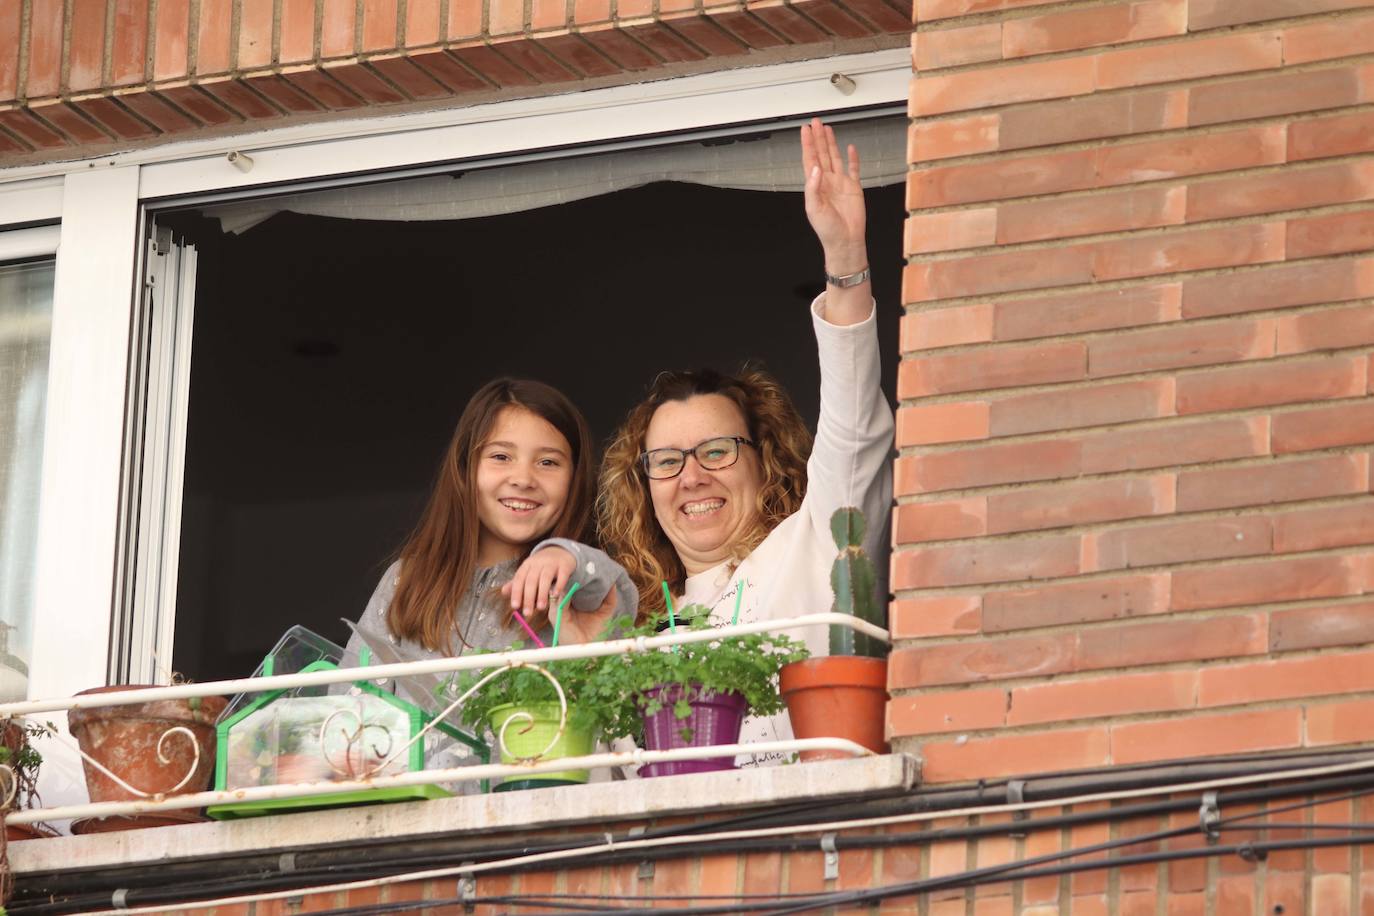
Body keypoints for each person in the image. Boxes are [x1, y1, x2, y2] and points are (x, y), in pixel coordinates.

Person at [598, 118, 894, 763]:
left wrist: (846, 264)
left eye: (716, 451)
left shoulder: (811, 546)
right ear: (644, 488)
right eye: (667, 462)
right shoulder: (636, 630)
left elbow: (854, 430)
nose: (692, 477)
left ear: (767, 462)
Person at [343, 377, 637, 705]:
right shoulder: (406, 579)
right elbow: (345, 710)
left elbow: (614, 590)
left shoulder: (574, 586)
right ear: (466, 468)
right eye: (501, 456)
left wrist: (566, 556)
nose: (523, 479)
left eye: (548, 462)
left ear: (575, 479)